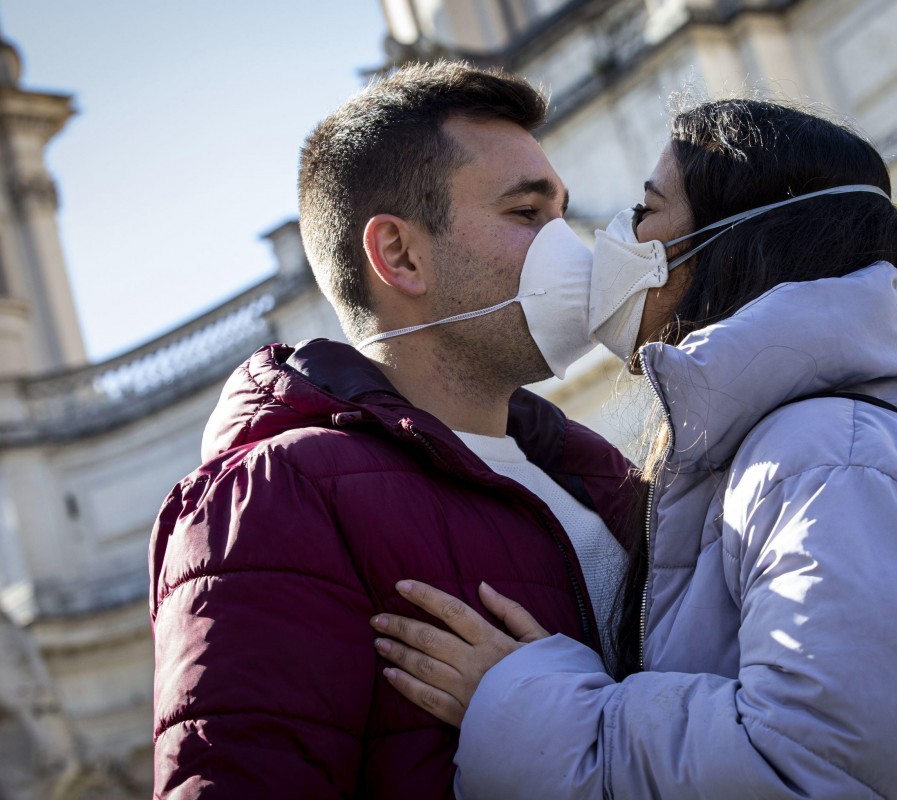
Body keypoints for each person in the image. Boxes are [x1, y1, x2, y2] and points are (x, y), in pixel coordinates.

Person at [369, 99, 897, 797]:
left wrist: (523, 701)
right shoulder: (795, 452)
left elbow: (806, 776)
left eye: (645, 211)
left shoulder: (838, 462)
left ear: (722, 246)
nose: (611, 241)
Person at [147, 62, 635, 799]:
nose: (570, 247)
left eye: (563, 213)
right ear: (400, 255)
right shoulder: (272, 498)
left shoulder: (603, 476)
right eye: (528, 215)